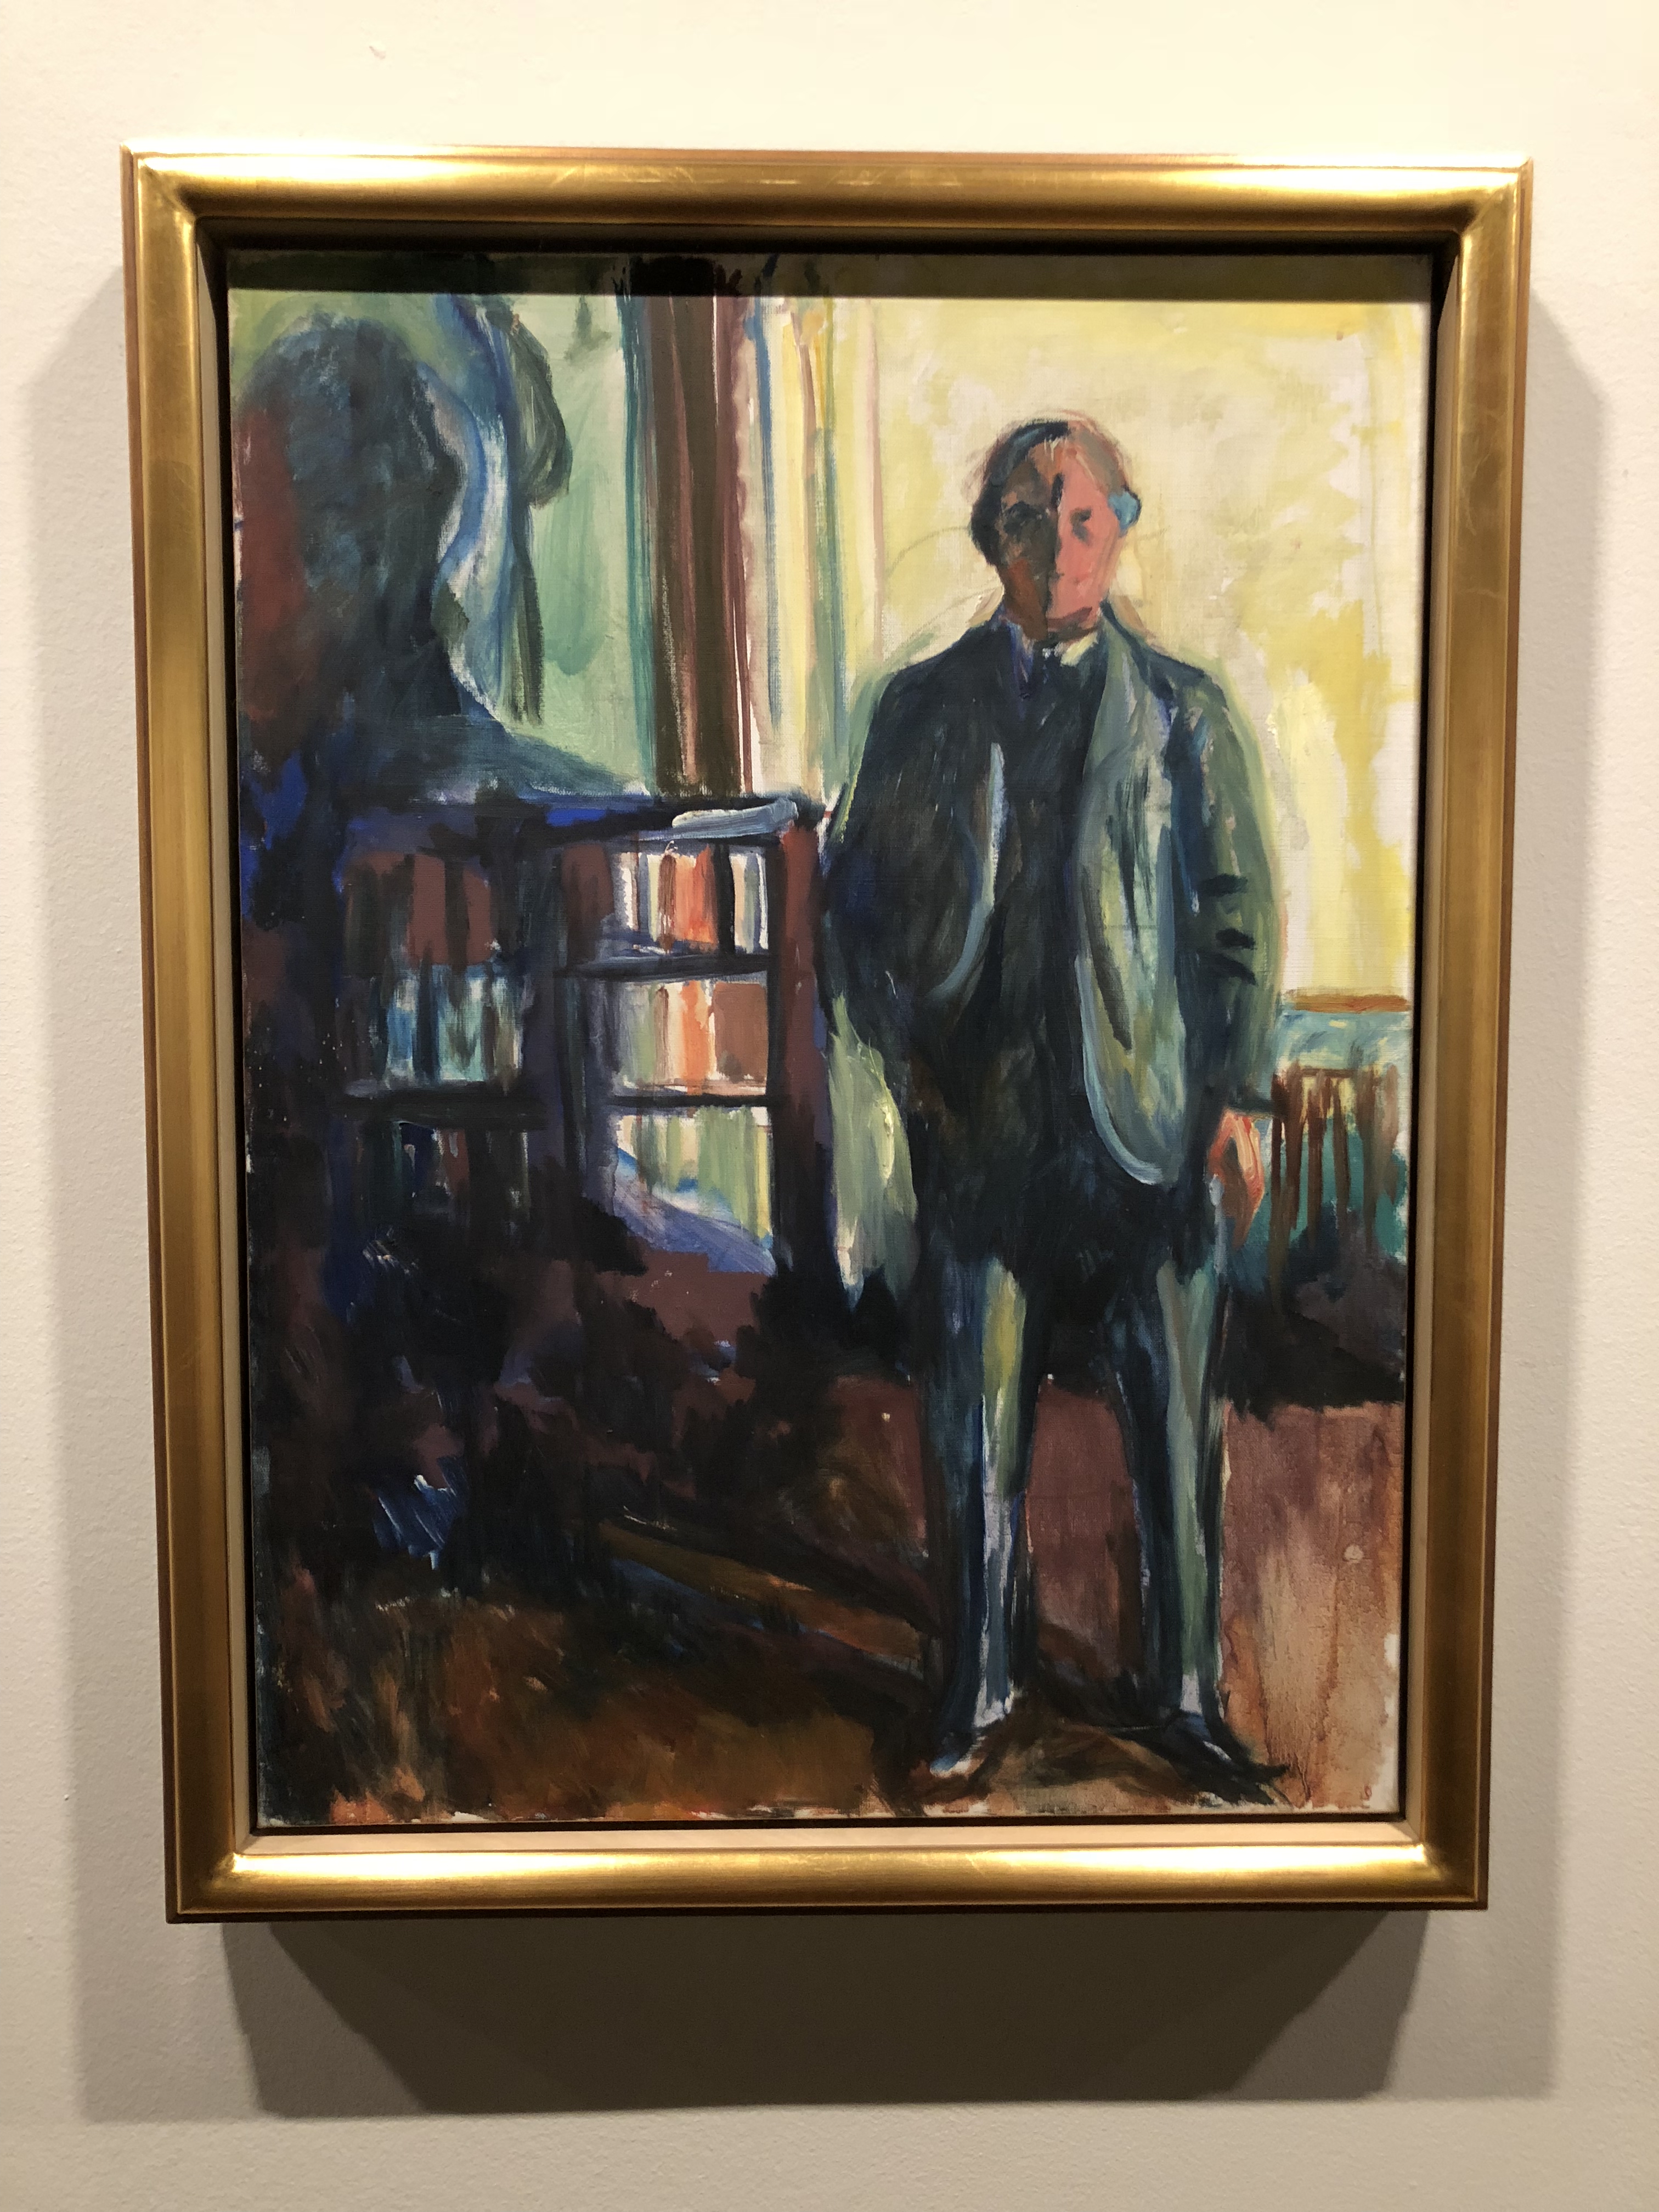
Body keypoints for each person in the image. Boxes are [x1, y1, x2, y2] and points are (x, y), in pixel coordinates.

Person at [826, 414, 1282, 1791]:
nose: (1057, 546)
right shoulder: (921, 710)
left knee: (1176, 1419)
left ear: (1120, 531)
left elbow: (1236, 916)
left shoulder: (1184, 714)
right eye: (1028, 520)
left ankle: (1184, 1694)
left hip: (1151, 1125)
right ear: (994, 542)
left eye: (1083, 518)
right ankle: (975, 1684)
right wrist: (908, 1060)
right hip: (989, 1130)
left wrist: (1238, 1097)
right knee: (973, 1418)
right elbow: (853, 909)